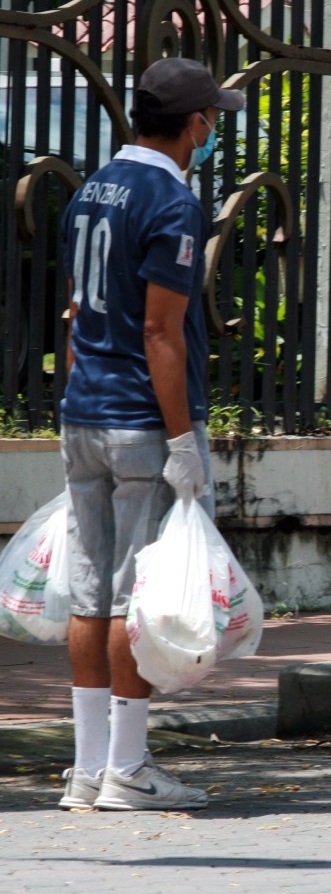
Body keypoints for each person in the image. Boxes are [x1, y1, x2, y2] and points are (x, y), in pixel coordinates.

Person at [58, 57, 245, 811]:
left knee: (90, 592)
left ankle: (85, 770)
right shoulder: (172, 201)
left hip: (84, 412)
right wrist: (180, 443)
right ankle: (128, 769)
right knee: (134, 594)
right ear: (194, 125)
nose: (212, 131)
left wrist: (81, 396)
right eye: (212, 119)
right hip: (142, 420)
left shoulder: (91, 189)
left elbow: (77, 311)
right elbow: (161, 332)